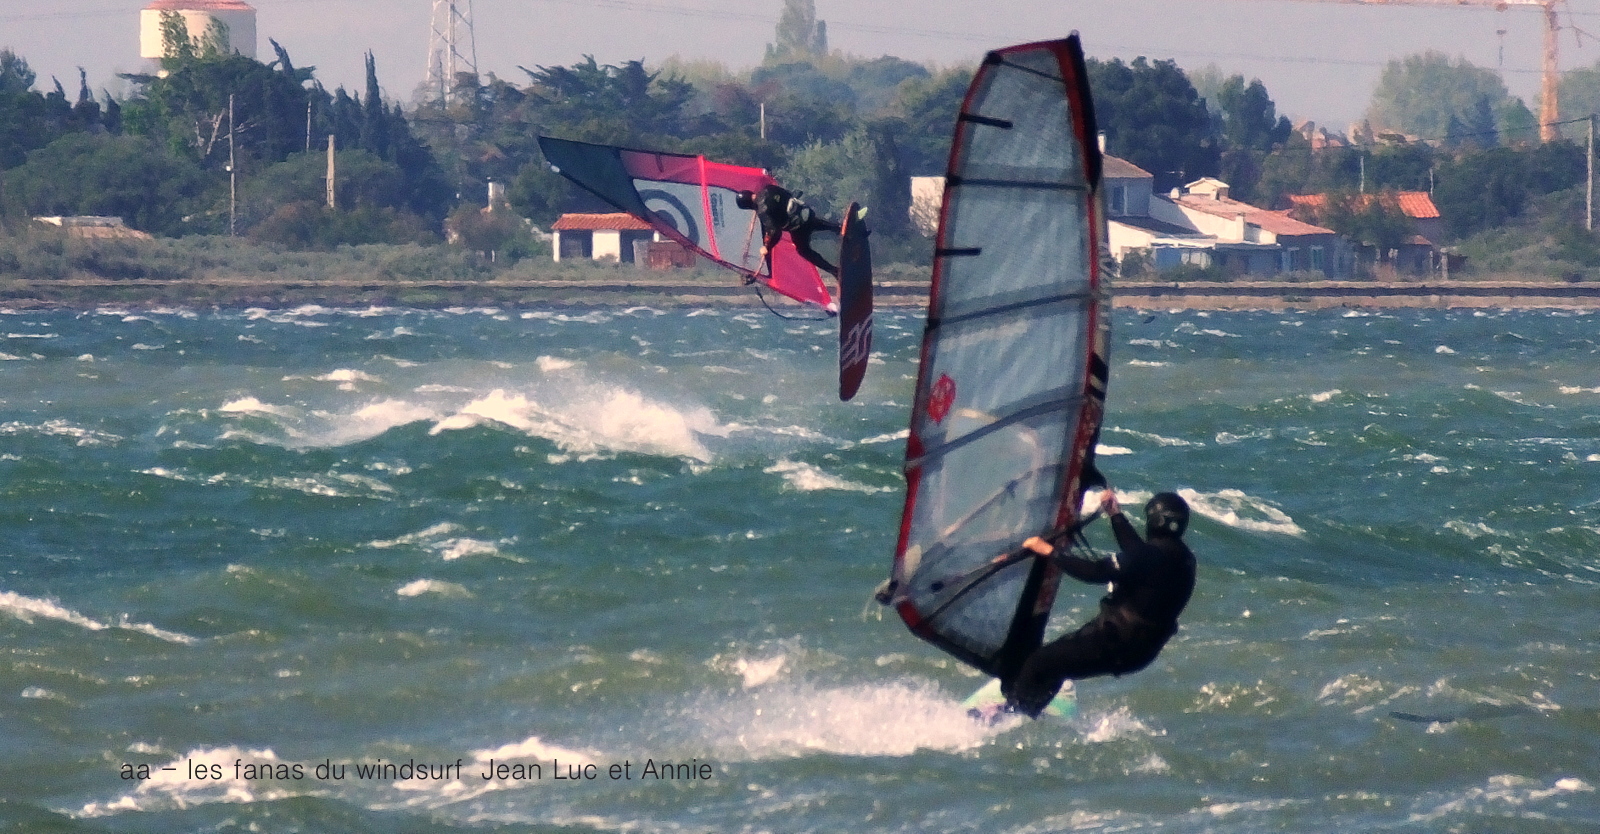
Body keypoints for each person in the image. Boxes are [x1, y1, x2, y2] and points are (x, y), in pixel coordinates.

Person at [997, 489, 1197, 719]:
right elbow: (1138, 554)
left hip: (1113, 643)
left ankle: (1009, 715)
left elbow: (1096, 572)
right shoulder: (1184, 559)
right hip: (1141, 652)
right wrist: (1115, 514)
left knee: (1039, 662)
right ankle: (1025, 710)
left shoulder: (1148, 557)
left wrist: (1049, 551)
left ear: (1154, 521)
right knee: (1057, 664)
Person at [735, 184, 841, 279]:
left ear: (748, 206)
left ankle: (834, 271)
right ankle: (838, 229)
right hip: (806, 212)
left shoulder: (762, 212)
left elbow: (776, 232)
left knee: (803, 250)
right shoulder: (768, 188)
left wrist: (767, 248)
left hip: (799, 227)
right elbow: (787, 194)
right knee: (815, 224)